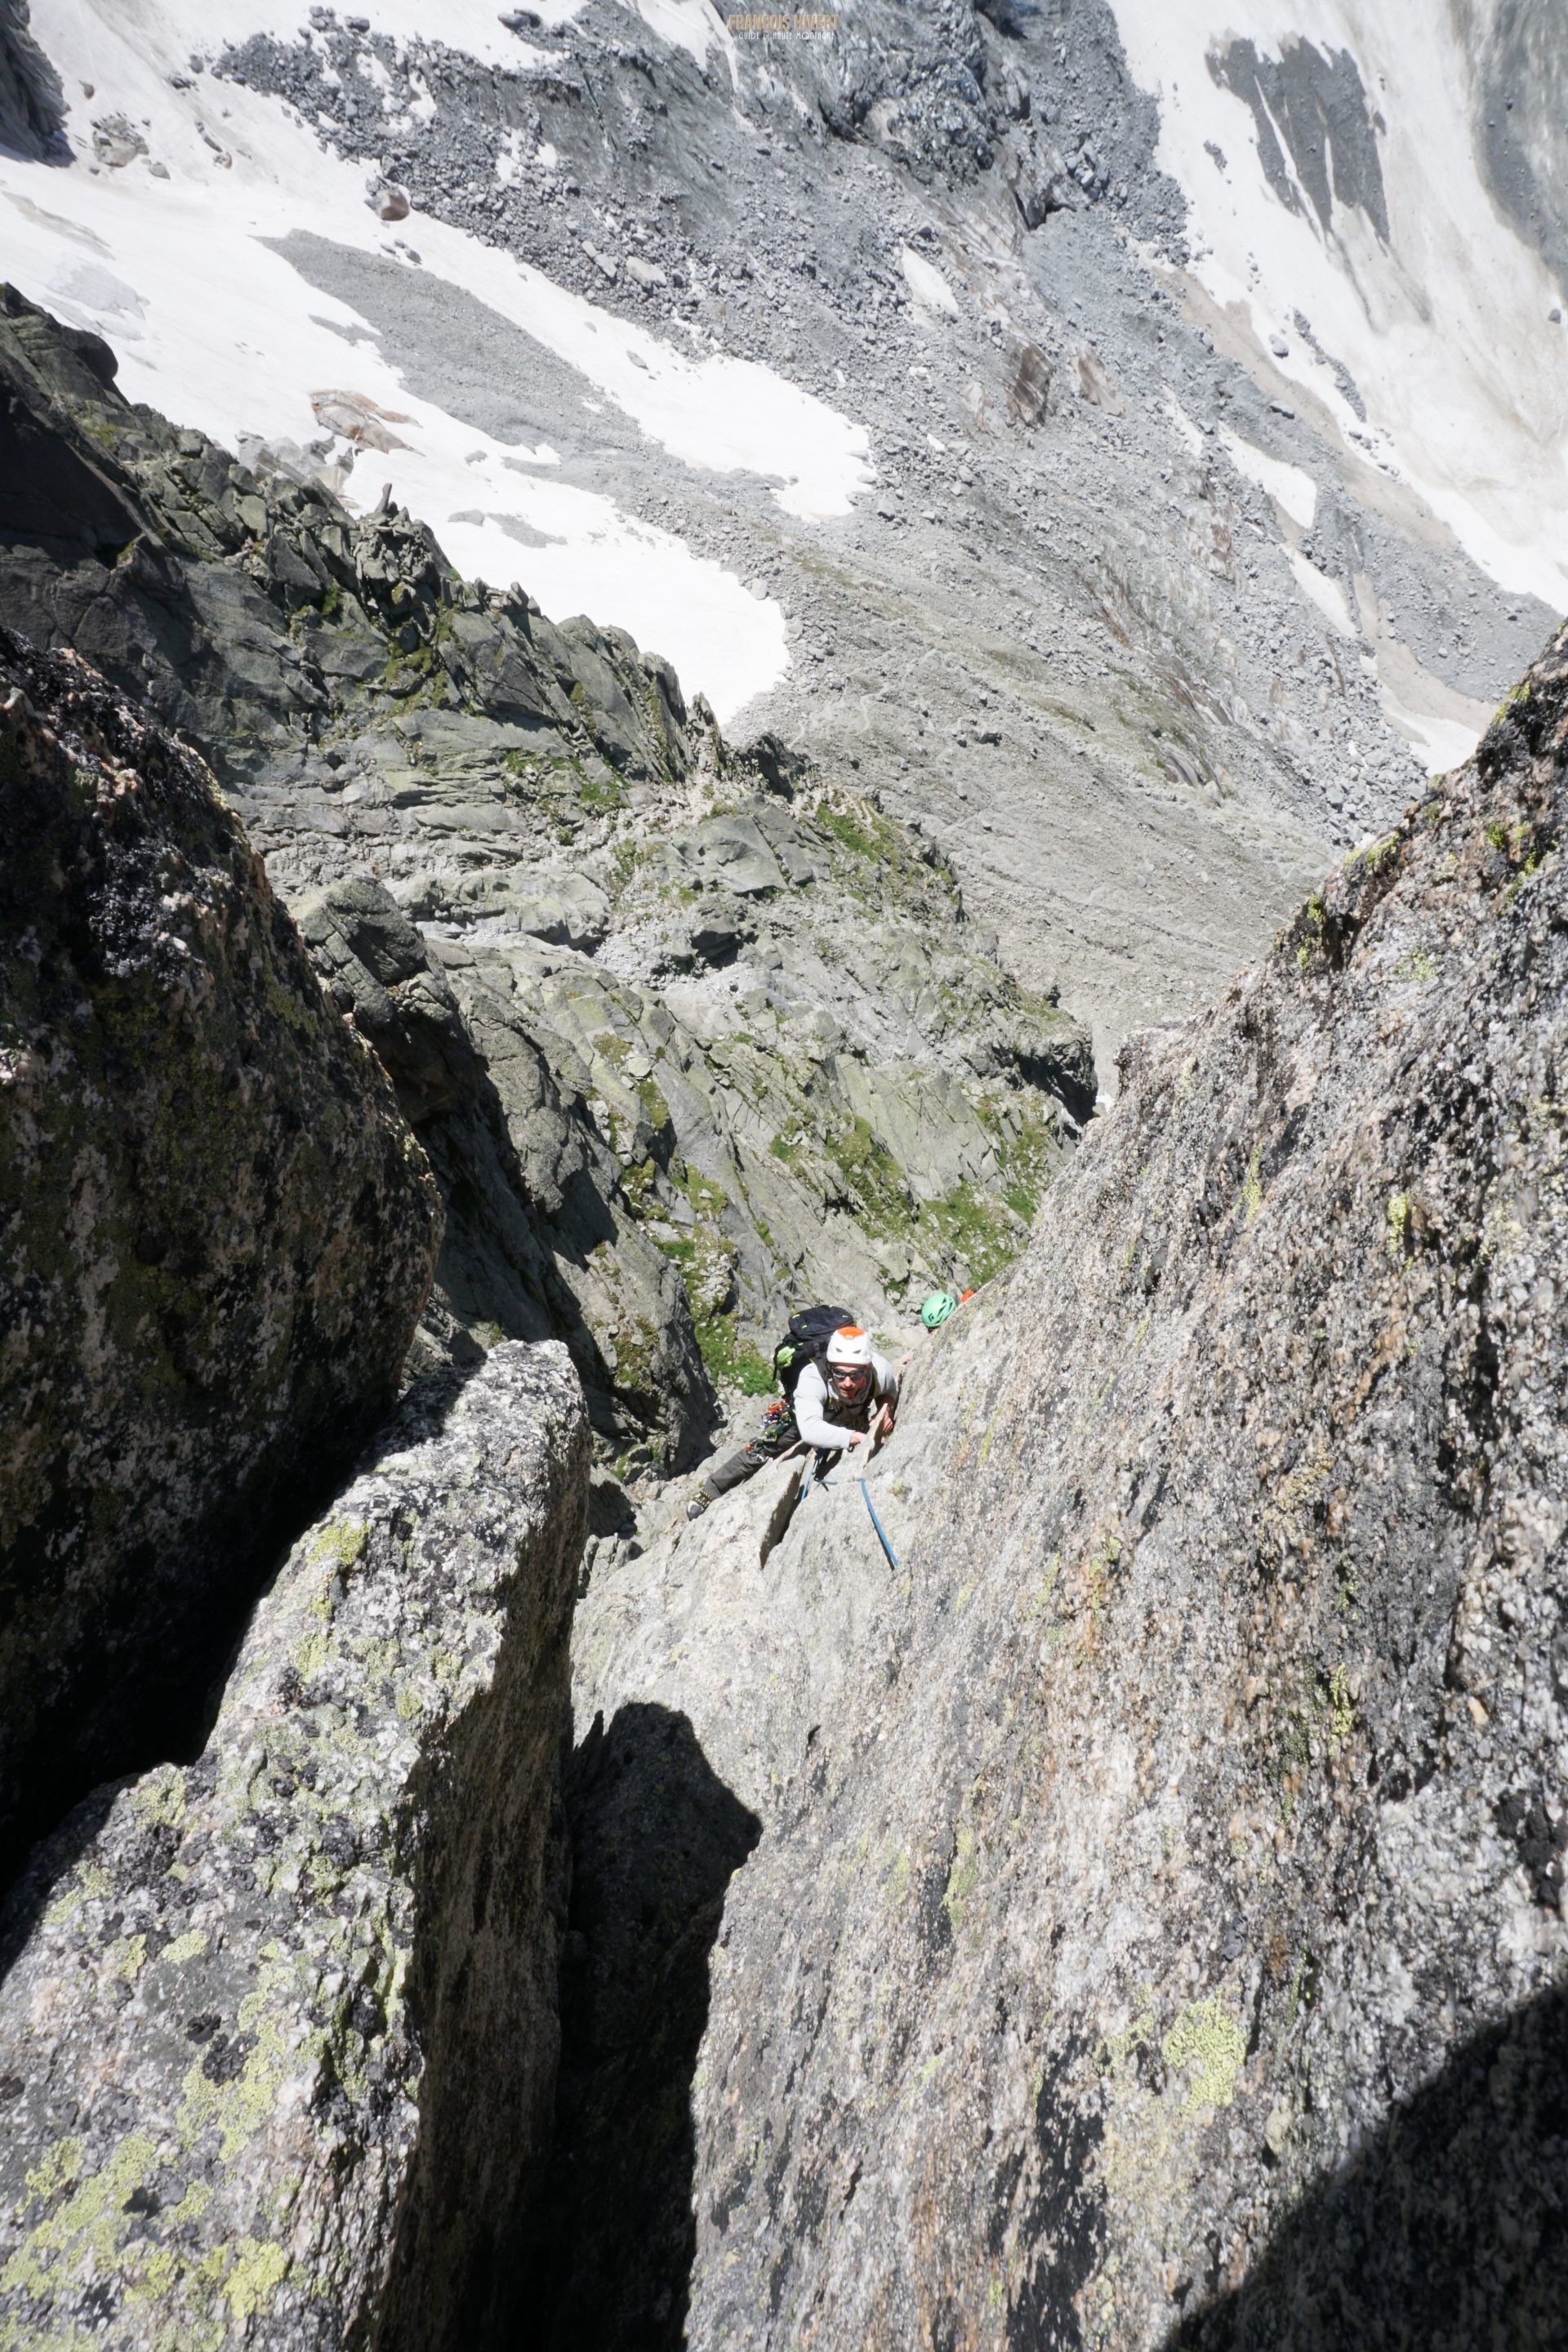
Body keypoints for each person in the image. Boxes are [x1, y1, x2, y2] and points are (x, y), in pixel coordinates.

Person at [685, 1322, 899, 1520]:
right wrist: (853, 1437)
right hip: (803, 1416)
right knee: (762, 1450)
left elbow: (890, 1391)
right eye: (839, 1373)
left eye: (855, 1375)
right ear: (830, 1367)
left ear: (867, 1370)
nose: (846, 1382)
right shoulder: (813, 1377)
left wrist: (885, 1410)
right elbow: (809, 1429)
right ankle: (711, 1489)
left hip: (851, 1413)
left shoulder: (881, 1371)